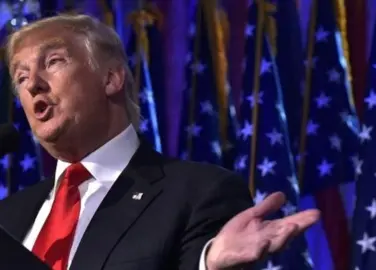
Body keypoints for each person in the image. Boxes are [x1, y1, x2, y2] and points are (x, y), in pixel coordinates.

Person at [0, 14, 320, 270]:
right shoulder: (7, 217)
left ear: (111, 78)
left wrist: (206, 265)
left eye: (53, 61)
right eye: (22, 77)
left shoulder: (198, 192)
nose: (33, 86)